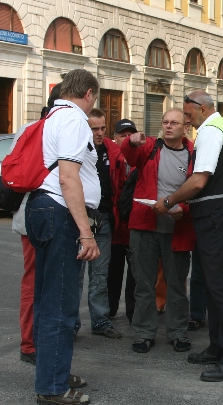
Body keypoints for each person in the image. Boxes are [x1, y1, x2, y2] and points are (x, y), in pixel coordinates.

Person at [153, 90, 223, 382]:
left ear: (202, 107)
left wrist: (168, 202)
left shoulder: (209, 131)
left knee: (219, 288)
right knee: (213, 284)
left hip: (215, 217)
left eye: (189, 112)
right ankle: (219, 347)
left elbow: (198, 180)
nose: (187, 117)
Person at [25, 68, 101, 405]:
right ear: (88, 94)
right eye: (94, 99)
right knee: (60, 304)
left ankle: (51, 370)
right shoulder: (73, 119)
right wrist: (86, 233)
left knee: (46, 299)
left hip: (42, 209)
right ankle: (52, 388)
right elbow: (69, 178)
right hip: (60, 212)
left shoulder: (50, 116)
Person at [121, 109, 195, 353]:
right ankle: (144, 333)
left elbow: (198, 188)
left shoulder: (194, 153)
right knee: (143, 283)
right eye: (165, 122)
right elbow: (129, 156)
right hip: (145, 224)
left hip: (177, 227)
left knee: (176, 284)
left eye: (174, 123)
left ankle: (177, 332)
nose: (168, 126)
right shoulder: (150, 146)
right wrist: (129, 142)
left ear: (186, 127)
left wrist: (182, 208)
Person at [14, 84, 62, 366]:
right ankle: (31, 343)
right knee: (37, 281)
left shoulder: (29, 128)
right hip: (39, 217)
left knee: (44, 280)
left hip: (37, 216)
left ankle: (38, 339)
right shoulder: (39, 130)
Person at [75, 109, 122, 339]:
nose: (100, 133)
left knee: (100, 275)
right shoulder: (76, 149)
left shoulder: (112, 150)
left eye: (103, 128)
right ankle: (71, 323)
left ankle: (101, 321)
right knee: (75, 274)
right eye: (95, 129)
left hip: (103, 218)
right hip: (79, 218)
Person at [106, 119, 138, 322]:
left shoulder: (139, 160)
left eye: (130, 135)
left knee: (136, 274)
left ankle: (133, 312)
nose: (126, 138)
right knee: (113, 272)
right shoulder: (110, 158)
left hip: (133, 225)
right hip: (115, 225)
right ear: (115, 138)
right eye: (122, 135)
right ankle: (110, 309)